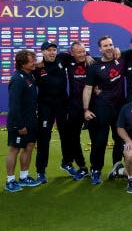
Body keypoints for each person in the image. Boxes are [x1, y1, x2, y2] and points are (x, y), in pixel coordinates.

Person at [83, 36, 127, 185]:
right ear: (100, 49)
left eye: (111, 44)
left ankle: (116, 167)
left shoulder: (121, 59)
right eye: (105, 46)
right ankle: (96, 170)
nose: (109, 47)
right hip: (101, 109)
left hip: (119, 109)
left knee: (119, 140)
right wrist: (86, 109)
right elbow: (88, 88)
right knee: (99, 141)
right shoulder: (94, 66)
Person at [33, 42, 73, 183]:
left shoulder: (62, 59)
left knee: (66, 136)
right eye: (48, 50)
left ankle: (67, 163)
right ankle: (40, 171)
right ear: (43, 52)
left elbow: (78, 53)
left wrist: (86, 56)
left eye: (54, 50)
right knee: (43, 139)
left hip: (62, 105)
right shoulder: (37, 68)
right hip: (45, 107)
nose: (52, 52)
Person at [5, 50, 42, 192]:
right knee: (15, 149)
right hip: (19, 122)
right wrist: (19, 125)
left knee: (29, 146)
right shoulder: (17, 79)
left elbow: (40, 64)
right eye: (31, 60)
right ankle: (10, 181)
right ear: (22, 63)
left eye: (34, 59)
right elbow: (14, 106)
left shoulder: (29, 75)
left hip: (31, 120)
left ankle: (24, 177)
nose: (35, 62)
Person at [65, 42, 92, 181]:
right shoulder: (66, 60)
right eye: (79, 52)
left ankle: (96, 168)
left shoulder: (91, 61)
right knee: (74, 138)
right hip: (75, 106)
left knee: (96, 137)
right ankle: (82, 167)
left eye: (84, 51)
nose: (82, 54)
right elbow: (52, 58)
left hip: (92, 107)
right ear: (72, 53)